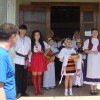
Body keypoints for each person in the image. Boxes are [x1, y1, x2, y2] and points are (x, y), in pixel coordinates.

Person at [28, 30, 50, 95]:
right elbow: (29, 53)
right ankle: (36, 89)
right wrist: (29, 61)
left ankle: (39, 89)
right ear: (33, 36)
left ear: (40, 36)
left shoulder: (43, 42)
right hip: (33, 59)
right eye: (35, 35)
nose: (37, 36)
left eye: (38, 34)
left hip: (41, 59)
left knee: (39, 75)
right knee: (34, 75)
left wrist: (44, 53)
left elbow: (49, 48)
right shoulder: (31, 43)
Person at [0, 23, 18, 100]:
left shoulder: (3, 53)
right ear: (12, 37)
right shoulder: (1, 56)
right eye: (17, 37)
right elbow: (0, 88)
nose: (17, 40)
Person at [13, 25, 31, 98]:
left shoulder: (28, 39)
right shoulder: (15, 38)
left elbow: (30, 50)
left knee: (25, 76)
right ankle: (19, 91)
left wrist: (29, 60)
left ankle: (24, 91)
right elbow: (12, 48)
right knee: (18, 76)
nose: (23, 31)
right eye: (21, 29)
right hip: (17, 59)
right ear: (19, 30)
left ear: (26, 31)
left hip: (25, 60)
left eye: (24, 30)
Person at [83, 28, 100, 95]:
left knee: (97, 72)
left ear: (98, 33)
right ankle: (92, 89)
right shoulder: (88, 40)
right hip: (91, 58)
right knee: (91, 72)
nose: (95, 34)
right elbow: (85, 50)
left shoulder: (99, 40)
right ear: (91, 34)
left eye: (96, 32)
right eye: (93, 32)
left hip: (98, 59)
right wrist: (92, 52)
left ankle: (95, 89)